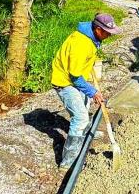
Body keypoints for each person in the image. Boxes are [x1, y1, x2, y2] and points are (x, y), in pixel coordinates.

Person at [51, 13, 120, 168]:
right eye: (106, 32)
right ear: (97, 29)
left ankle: (86, 132)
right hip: (65, 82)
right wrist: (92, 91)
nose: (109, 35)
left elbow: (81, 64)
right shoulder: (81, 44)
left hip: (76, 77)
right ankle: (68, 162)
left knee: (86, 104)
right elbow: (74, 76)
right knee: (81, 117)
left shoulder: (91, 37)